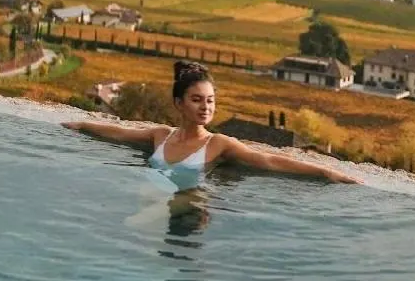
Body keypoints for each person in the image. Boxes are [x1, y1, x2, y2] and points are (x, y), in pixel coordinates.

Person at [62, 59, 361, 186]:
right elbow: (119, 132)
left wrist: (325, 171)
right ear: (178, 103)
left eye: (210, 100)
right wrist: (82, 126)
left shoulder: (217, 143)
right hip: (150, 201)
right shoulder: (160, 135)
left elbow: (268, 160)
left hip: (187, 213)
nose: (205, 107)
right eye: (197, 100)